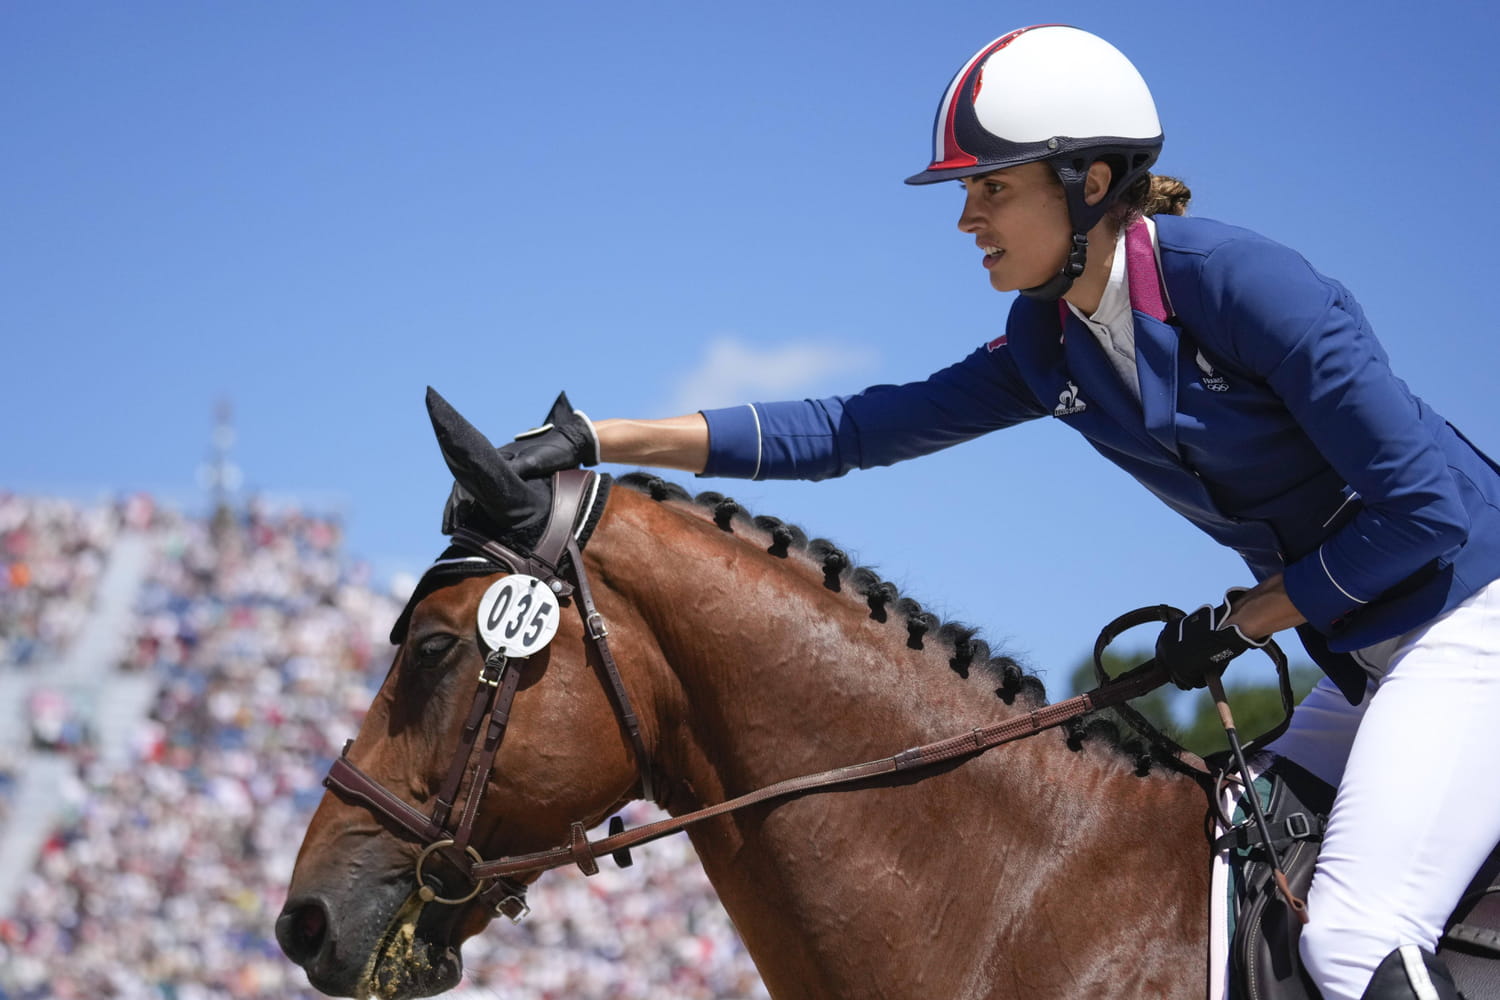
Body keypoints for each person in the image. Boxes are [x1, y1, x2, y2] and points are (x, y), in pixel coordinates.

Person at [464, 25, 1500, 1000]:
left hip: (1472, 614)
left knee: (1354, 933)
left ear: (1088, 183)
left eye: (990, 190)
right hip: (1372, 653)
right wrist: (603, 437)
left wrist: (1253, 617)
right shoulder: (1054, 342)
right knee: (1232, 884)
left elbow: (1427, 515)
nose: (967, 221)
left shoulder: (1249, 288)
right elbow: (853, 428)